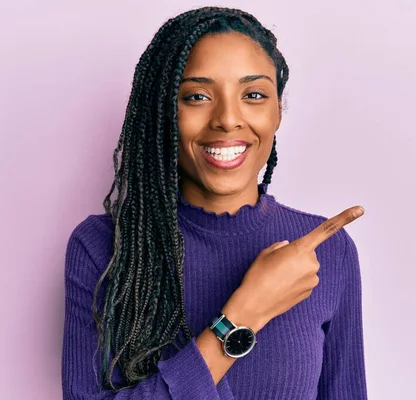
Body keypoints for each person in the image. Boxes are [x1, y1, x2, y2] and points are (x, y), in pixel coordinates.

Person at [62, 6, 367, 399]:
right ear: (164, 114)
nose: (227, 118)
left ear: (277, 112)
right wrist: (243, 315)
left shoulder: (328, 251)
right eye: (197, 96)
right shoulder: (102, 247)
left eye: (253, 94)